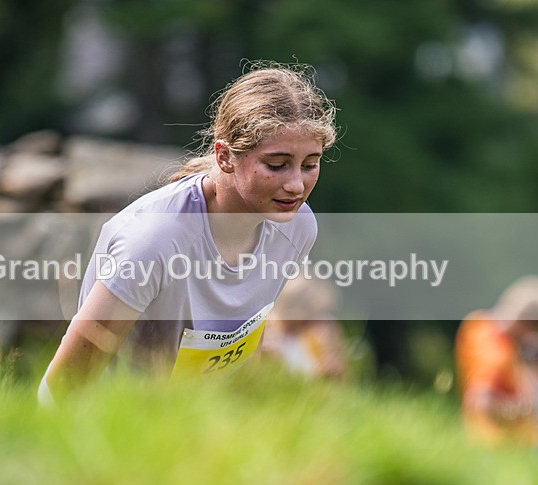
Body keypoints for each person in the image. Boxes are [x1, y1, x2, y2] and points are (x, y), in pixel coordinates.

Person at [39, 64, 338, 404]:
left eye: (310, 164)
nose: (296, 185)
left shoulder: (297, 226)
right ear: (224, 156)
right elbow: (61, 387)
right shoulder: (153, 240)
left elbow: (242, 346)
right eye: (276, 164)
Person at [454, 275, 538, 447]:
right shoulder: (495, 348)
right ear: (528, 324)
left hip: (498, 444)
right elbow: (481, 403)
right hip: (495, 445)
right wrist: (521, 410)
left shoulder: (479, 325)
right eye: (537, 331)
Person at [262, 276, 347, 379]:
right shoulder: (269, 335)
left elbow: (339, 374)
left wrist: (330, 367)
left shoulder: (312, 335)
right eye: (309, 312)